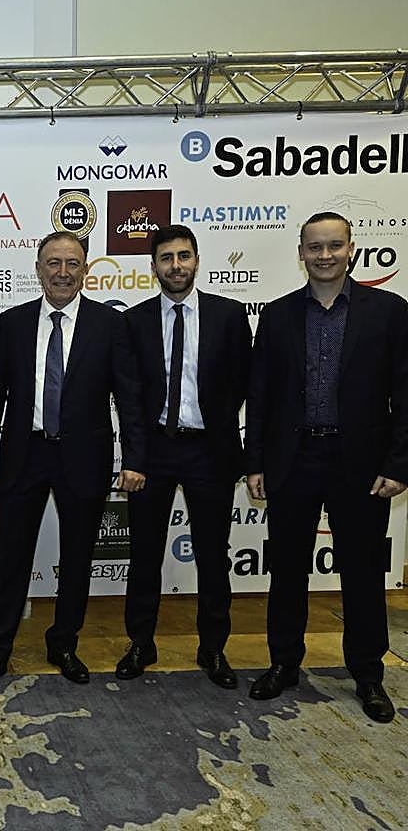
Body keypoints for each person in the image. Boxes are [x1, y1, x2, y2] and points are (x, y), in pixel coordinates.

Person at [245, 211, 408, 723]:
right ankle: (283, 663)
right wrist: (255, 462)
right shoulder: (277, 315)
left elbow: (405, 394)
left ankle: (368, 675)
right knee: (287, 568)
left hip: (360, 463)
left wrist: (399, 463)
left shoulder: (389, 312)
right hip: (293, 460)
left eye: (334, 245)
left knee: (362, 571)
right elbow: (260, 396)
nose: (324, 255)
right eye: (314, 247)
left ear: (351, 250)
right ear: (301, 253)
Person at [0, 231, 146, 694]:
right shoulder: (13, 321)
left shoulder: (111, 324)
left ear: (85, 270)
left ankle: (64, 644)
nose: (62, 272)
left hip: (84, 456)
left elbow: (129, 397)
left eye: (72, 263)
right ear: (38, 269)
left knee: (78, 555)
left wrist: (134, 457)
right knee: (10, 556)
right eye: (53, 263)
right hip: (24, 452)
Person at [116, 224, 251, 688]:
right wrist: (134, 456)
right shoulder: (133, 322)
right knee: (144, 553)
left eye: (184, 256)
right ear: (153, 266)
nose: (176, 266)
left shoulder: (229, 315)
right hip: (153, 450)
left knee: (213, 555)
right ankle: (141, 643)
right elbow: (130, 398)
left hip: (210, 452)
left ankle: (213, 648)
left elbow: (242, 383)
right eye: (167, 258)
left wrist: (219, 426)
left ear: (196, 260)